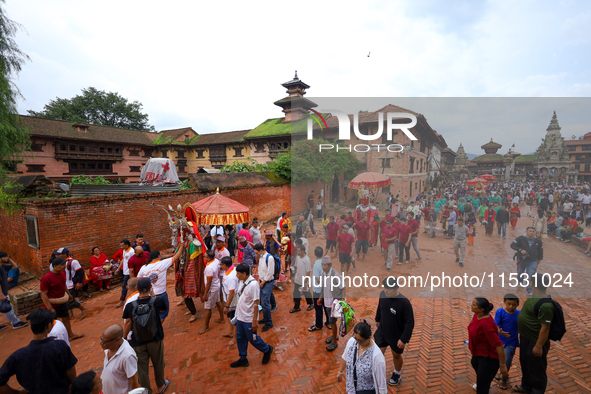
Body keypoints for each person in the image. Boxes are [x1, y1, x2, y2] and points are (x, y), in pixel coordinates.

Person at [0, 308, 77, 394]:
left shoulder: (17, 356)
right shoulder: (59, 347)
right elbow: (71, 372)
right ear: (48, 325)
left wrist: (17, 393)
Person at [123, 277, 170, 394]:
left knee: (141, 369)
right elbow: (164, 310)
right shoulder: (157, 301)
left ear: (137, 289)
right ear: (150, 287)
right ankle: (160, 386)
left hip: (137, 341)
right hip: (155, 338)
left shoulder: (130, 305)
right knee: (158, 363)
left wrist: (124, 338)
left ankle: (146, 391)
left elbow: (128, 323)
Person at [230, 263, 274, 368]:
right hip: (240, 316)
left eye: (238, 274)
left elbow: (256, 303)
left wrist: (254, 320)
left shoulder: (253, 285)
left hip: (249, 318)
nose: (237, 275)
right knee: (240, 338)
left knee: (253, 339)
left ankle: (267, 349)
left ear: (244, 274)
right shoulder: (242, 281)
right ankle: (243, 358)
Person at [513, 280, 553, 394]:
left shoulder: (545, 305)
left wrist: (539, 345)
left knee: (537, 369)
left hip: (535, 341)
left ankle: (537, 391)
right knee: (525, 364)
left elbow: (545, 328)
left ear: (532, 283)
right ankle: (526, 387)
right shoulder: (534, 296)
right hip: (526, 338)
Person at [375, 277, 415, 386]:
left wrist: (403, 339)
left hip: (396, 335)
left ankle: (397, 373)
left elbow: (409, 323)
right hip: (382, 331)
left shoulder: (404, 303)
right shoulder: (383, 294)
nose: (386, 290)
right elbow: (380, 307)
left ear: (396, 288)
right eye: (385, 287)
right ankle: (376, 374)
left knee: (396, 355)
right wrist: (377, 319)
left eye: (389, 288)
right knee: (377, 354)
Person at [468, 298, 508, 393]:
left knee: (482, 389)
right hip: (478, 353)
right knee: (476, 367)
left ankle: (484, 384)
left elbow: (499, 346)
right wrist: (496, 331)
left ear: (481, 309)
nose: (471, 306)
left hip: (488, 358)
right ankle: (485, 381)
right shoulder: (477, 315)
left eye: (473, 304)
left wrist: (503, 366)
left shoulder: (485, 324)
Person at [337, 320, 388, 394]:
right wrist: (340, 372)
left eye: (360, 341)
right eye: (355, 338)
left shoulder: (377, 357)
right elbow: (345, 356)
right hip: (351, 389)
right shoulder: (352, 342)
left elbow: (381, 384)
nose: (357, 342)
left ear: (369, 337)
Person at [40, 257, 83, 340]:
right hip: (51, 304)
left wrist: (68, 294)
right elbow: (43, 294)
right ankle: (52, 339)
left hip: (62, 302)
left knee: (66, 318)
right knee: (51, 323)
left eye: (64, 264)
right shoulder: (46, 278)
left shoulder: (62, 274)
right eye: (62, 265)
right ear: (55, 267)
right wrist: (49, 307)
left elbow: (63, 284)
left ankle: (70, 335)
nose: (64, 266)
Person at [137, 247, 183, 323]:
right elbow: (177, 256)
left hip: (149, 295)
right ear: (158, 256)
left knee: (152, 312)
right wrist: (181, 245)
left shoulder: (143, 268)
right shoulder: (163, 263)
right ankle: (157, 328)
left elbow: (138, 279)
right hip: (161, 294)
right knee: (163, 314)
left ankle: (152, 327)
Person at [100, 324, 141, 394]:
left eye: (104, 342)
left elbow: (134, 381)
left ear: (117, 340)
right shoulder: (109, 348)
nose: (101, 343)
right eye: (101, 339)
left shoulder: (127, 356)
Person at [318, 256, 345, 351]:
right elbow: (323, 287)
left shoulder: (335, 274)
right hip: (326, 301)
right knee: (330, 321)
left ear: (330, 265)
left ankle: (334, 342)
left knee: (332, 322)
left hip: (334, 302)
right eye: (322, 264)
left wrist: (342, 300)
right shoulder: (323, 274)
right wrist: (321, 297)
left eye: (324, 265)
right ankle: (334, 336)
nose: (323, 266)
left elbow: (343, 287)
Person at [494, 294, 520, 390]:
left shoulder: (519, 314)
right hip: (500, 341)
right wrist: (498, 331)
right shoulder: (500, 312)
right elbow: (495, 325)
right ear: (504, 302)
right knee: (498, 359)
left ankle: (504, 377)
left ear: (517, 304)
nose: (511, 307)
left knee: (507, 361)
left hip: (511, 342)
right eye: (508, 304)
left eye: (513, 305)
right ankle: (502, 373)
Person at [510, 227, 543, 296]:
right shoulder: (521, 238)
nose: (531, 232)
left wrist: (539, 259)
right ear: (526, 231)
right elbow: (512, 245)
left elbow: (540, 251)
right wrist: (520, 250)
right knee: (520, 271)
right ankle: (520, 281)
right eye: (530, 231)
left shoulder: (538, 241)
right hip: (522, 259)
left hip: (533, 260)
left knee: (531, 275)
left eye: (533, 231)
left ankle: (529, 289)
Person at [198, 250, 225, 334]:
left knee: (207, 308)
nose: (204, 257)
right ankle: (222, 318)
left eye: (205, 256)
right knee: (218, 302)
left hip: (211, 289)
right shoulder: (216, 261)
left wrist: (205, 294)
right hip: (216, 286)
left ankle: (206, 327)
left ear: (209, 258)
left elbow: (209, 282)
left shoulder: (209, 268)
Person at [0, 252, 28, 330]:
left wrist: (9, 259)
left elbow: (15, 266)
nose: (7, 258)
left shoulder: (2, 266)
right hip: (2, 292)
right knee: (8, 308)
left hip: (3, 290)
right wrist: (1, 294)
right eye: (5, 257)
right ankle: (16, 323)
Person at [308, 246, 331, 332]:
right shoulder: (326, 263)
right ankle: (329, 322)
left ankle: (318, 325)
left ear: (314, 254)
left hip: (318, 290)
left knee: (318, 308)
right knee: (327, 306)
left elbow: (317, 279)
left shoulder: (316, 265)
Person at [254, 243, 276, 331]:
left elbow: (270, 273)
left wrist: (263, 282)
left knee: (265, 303)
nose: (256, 254)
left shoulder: (269, 258)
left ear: (261, 251)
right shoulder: (261, 257)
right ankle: (266, 318)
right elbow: (261, 270)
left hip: (267, 282)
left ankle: (269, 322)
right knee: (263, 301)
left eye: (256, 252)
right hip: (262, 281)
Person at [220, 257, 239, 346]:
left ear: (224, 265)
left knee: (233, 319)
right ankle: (231, 332)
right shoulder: (229, 271)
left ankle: (235, 338)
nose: (220, 266)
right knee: (229, 317)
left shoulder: (231, 277)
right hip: (228, 297)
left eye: (221, 264)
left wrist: (227, 306)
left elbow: (231, 293)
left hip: (232, 300)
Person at [291, 245, 313, 313]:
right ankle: (296, 307)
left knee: (306, 292)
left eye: (299, 251)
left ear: (303, 251)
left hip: (304, 280)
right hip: (298, 279)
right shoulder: (297, 257)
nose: (298, 252)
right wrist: (295, 276)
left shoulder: (307, 259)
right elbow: (296, 267)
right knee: (296, 293)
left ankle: (311, 304)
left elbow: (308, 272)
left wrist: (305, 283)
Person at [116, 239, 135, 308]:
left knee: (125, 286)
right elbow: (123, 260)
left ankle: (122, 300)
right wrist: (118, 268)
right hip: (125, 271)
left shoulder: (132, 252)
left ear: (127, 245)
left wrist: (131, 273)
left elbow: (134, 262)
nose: (121, 247)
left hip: (129, 272)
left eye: (122, 245)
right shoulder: (124, 250)